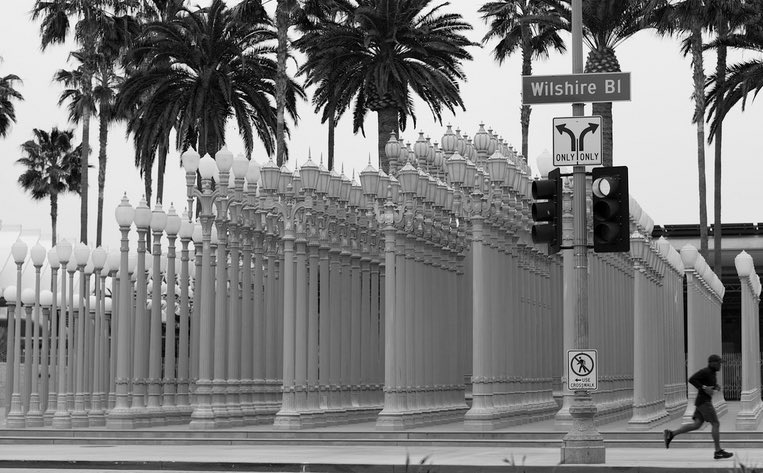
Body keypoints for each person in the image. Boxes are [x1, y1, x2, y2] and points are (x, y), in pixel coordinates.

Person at [663, 354, 732, 459]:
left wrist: (714, 387)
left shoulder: (712, 373)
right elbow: (692, 379)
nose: (720, 365)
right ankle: (718, 451)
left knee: (697, 425)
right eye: (718, 363)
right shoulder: (706, 371)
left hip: (701, 402)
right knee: (715, 423)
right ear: (712, 363)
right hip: (704, 402)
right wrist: (704, 387)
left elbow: (708, 385)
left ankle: (671, 434)